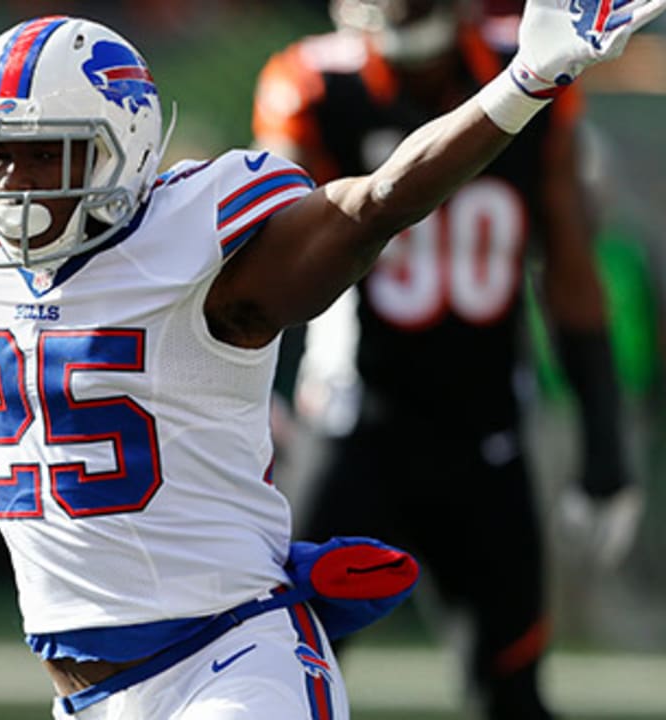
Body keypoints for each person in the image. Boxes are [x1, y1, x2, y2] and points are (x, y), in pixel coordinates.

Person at [0, 0, 662, 716]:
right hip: (87, 691)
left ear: (122, 152)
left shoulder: (201, 249)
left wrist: (521, 83)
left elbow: (368, 206)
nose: (13, 183)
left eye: (46, 156)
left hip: (232, 667)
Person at [251, 1, 645, 716]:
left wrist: (604, 437)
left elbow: (568, 267)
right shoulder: (313, 83)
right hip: (351, 426)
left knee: (512, 688)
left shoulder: (529, 60)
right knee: (269, 673)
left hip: (483, 428)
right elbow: (270, 259)